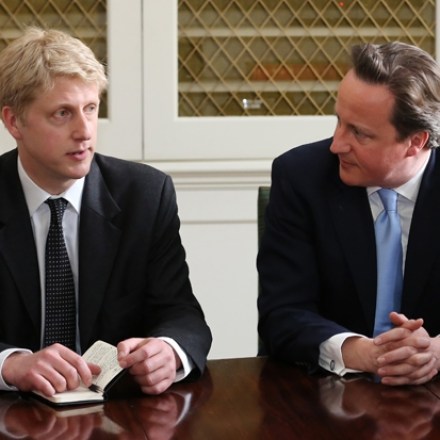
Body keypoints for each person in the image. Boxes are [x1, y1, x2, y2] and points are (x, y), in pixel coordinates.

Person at [0, 27, 212, 397]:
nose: (85, 132)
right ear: (14, 122)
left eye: (91, 109)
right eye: (62, 113)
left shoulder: (145, 195)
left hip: (118, 411)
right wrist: (10, 364)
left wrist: (168, 350)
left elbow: (181, 314)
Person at [257, 40, 440, 386]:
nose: (336, 144)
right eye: (339, 120)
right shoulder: (301, 177)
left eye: (359, 133)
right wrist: (365, 352)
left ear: (416, 141)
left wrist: (435, 351)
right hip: (325, 391)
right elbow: (281, 314)